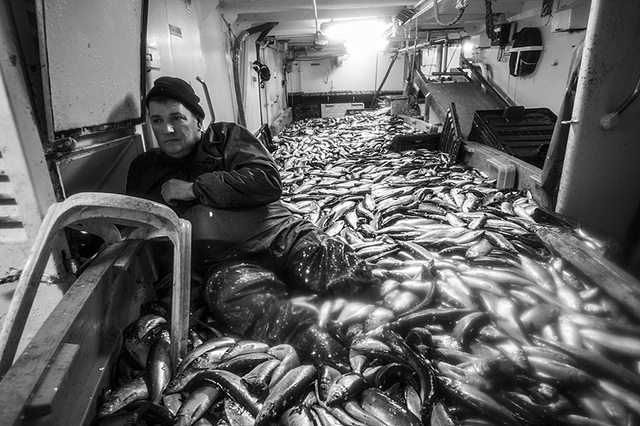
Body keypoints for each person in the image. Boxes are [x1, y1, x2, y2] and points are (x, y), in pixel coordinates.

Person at [126, 76, 378, 370]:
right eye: (157, 121)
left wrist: (195, 188)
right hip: (227, 265)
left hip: (283, 237)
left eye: (177, 118)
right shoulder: (144, 168)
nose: (167, 129)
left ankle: (394, 326)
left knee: (344, 271)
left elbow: (267, 181)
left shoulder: (226, 138)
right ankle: (330, 355)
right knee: (231, 299)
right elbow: (135, 225)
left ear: (198, 120)